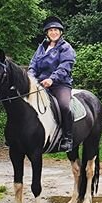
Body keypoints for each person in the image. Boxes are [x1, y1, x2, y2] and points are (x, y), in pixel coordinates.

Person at [28, 16, 76, 152]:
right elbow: (33, 65)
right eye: (50, 30)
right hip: (40, 84)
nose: (53, 32)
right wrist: (31, 78)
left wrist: (52, 79)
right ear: (47, 33)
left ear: (60, 32)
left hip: (60, 84)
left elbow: (65, 67)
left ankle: (68, 138)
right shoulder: (41, 48)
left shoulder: (66, 48)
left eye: (56, 30)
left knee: (64, 106)